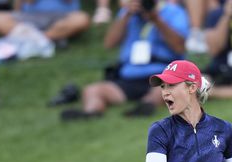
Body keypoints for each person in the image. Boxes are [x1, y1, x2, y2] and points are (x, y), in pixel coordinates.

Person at [59, 0, 188, 121]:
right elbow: (109, 43)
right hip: (129, 75)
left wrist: (156, 19)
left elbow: (179, 47)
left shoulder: (173, 12)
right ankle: (91, 112)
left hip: (161, 74)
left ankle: (146, 106)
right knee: (92, 90)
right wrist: (126, 15)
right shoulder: (127, 13)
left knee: (164, 90)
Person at [0, 0, 90, 48]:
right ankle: (49, 40)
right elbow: (19, 8)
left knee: (82, 19)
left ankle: (35, 40)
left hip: (62, 17)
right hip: (30, 17)